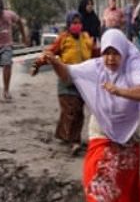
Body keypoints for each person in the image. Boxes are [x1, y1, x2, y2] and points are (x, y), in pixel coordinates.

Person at [40, 30, 140, 202]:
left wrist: (121, 91)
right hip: (101, 130)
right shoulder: (94, 67)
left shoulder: (135, 68)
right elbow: (67, 75)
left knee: (127, 177)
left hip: (128, 132)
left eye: (115, 54)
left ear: (124, 53)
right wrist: (55, 61)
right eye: (107, 54)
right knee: (102, 177)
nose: (111, 59)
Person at [32, 11, 95, 155]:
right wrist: (37, 65)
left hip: (82, 82)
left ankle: (63, 134)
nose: (77, 26)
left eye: (79, 23)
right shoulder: (63, 39)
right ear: (68, 25)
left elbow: (94, 53)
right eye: (74, 23)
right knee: (70, 110)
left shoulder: (86, 38)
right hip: (66, 80)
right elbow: (49, 53)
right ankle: (75, 141)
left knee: (78, 111)